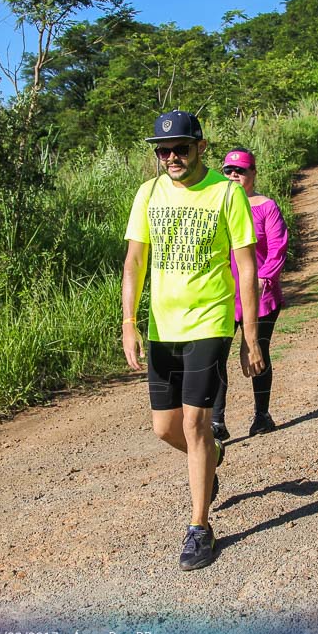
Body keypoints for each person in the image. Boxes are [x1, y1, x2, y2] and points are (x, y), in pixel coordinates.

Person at [122, 110, 266, 571]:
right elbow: (134, 262)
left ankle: (199, 527)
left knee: (194, 423)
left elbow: (246, 267)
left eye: (180, 148)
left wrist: (251, 336)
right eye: (162, 151)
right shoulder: (148, 194)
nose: (170, 158)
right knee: (164, 428)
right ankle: (214, 457)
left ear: (200, 146)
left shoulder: (226, 193)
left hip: (211, 320)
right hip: (163, 326)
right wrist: (128, 321)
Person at [212, 148, 289, 441]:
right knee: (217, 355)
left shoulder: (266, 206)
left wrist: (262, 279)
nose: (234, 176)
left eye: (240, 171)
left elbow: (278, 248)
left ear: (253, 173)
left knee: (259, 352)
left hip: (261, 294)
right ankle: (217, 421)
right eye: (229, 171)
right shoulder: (218, 205)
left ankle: (262, 415)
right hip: (223, 295)